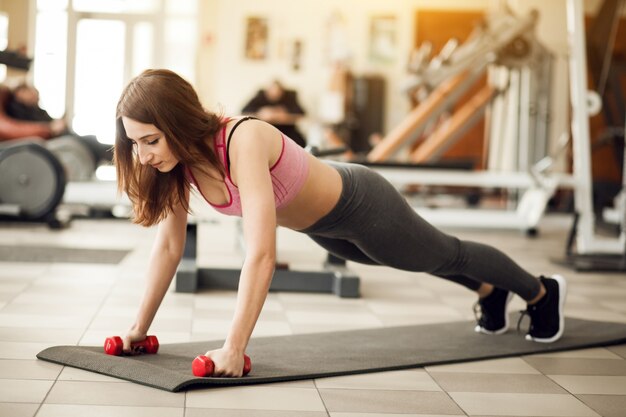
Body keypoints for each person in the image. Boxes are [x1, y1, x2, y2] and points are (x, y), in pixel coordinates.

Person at [115, 69, 567, 377]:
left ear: (177, 122)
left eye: (151, 140)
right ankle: (491, 291)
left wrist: (234, 347)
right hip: (326, 229)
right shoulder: (174, 166)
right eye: (135, 143)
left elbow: (261, 253)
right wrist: (139, 328)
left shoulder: (242, 138)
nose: (144, 155)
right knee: (413, 259)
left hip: (361, 203)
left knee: (444, 253)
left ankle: (542, 292)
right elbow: (169, 248)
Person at [7, 83, 113, 165]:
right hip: (52, 138)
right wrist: (50, 128)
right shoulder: (17, 109)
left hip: (59, 134)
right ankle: (122, 158)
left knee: (91, 139)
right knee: (90, 142)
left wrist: (59, 123)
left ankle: (121, 157)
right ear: (20, 92)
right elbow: (26, 128)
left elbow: (49, 121)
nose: (35, 96)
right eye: (32, 93)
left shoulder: (35, 109)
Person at [241, 79, 307, 148]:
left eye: (277, 91)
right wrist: (262, 112)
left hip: (286, 130)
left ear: (282, 91)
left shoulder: (289, 97)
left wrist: (284, 114)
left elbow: (301, 112)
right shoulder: (260, 96)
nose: (275, 93)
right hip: (264, 129)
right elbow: (244, 110)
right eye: (272, 90)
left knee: (300, 141)